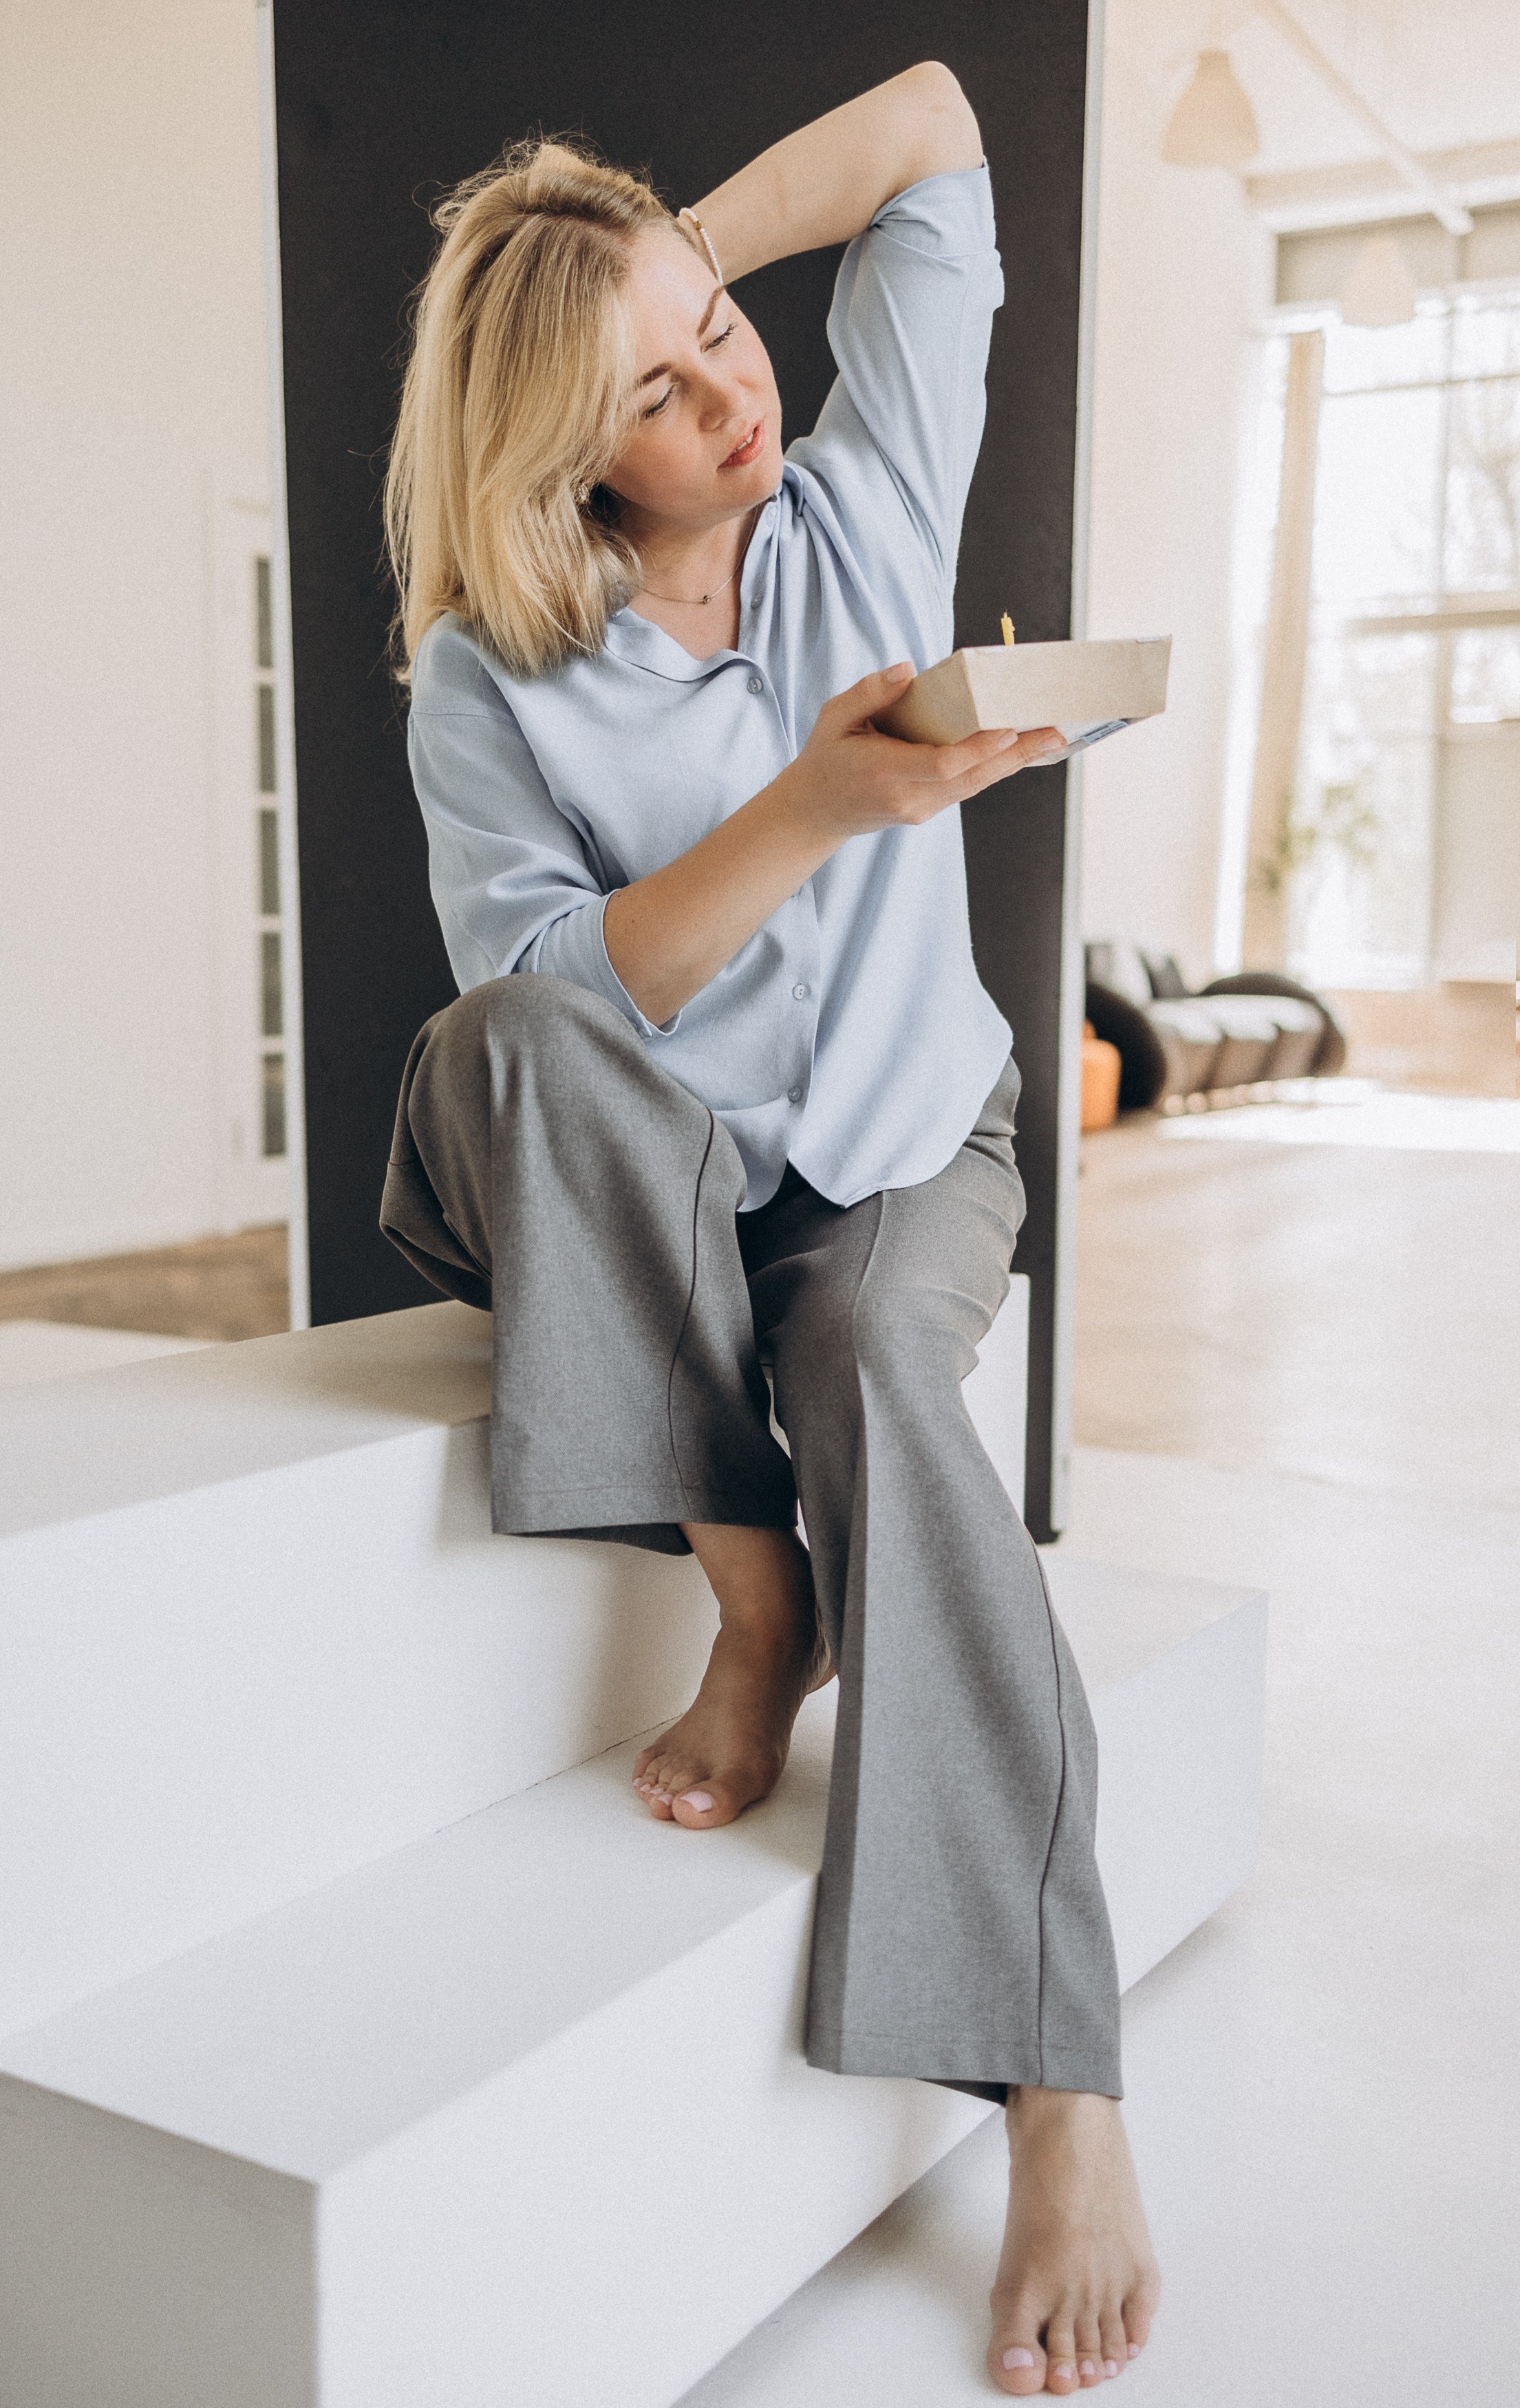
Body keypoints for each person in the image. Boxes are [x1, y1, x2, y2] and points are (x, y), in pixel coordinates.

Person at [379, 63, 1159, 2396]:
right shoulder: (485, 672)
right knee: (514, 1044)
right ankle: (757, 1591)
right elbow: (544, 1003)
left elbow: (932, 125)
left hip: (914, 1154)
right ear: (554, 450)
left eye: (729, 329)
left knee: (875, 1369)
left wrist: (641, 255)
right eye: (657, 384)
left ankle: (1062, 2086)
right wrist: (820, 804)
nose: (735, 390)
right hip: (636, 1189)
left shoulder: (867, 487)